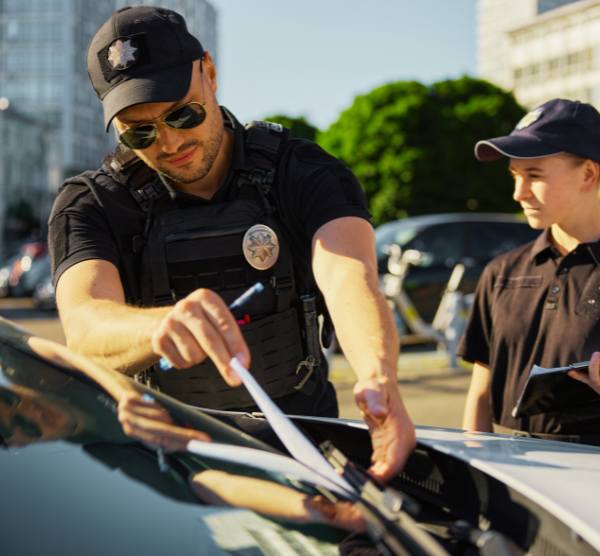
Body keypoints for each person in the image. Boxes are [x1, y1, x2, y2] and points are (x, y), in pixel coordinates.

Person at [47, 5, 413, 481]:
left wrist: (378, 378)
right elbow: (84, 324)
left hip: (306, 455)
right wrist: (158, 328)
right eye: (140, 132)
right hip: (172, 475)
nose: (170, 142)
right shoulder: (91, 203)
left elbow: (350, 277)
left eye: (183, 113)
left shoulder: (302, 171)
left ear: (211, 73)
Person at [459, 98, 600, 456]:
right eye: (515, 175)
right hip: (519, 477)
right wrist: (477, 480)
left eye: (534, 175)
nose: (519, 193)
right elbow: (481, 395)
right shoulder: (500, 273)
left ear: (589, 174)